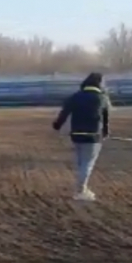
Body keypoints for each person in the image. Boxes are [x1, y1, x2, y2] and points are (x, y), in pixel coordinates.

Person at [52, 72, 111, 201]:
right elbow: (105, 119)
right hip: (93, 135)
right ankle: (81, 191)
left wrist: (57, 125)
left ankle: (82, 188)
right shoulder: (102, 98)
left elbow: (64, 113)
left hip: (76, 134)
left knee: (81, 162)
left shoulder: (75, 97)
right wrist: (106, 133)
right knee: (87, 164)